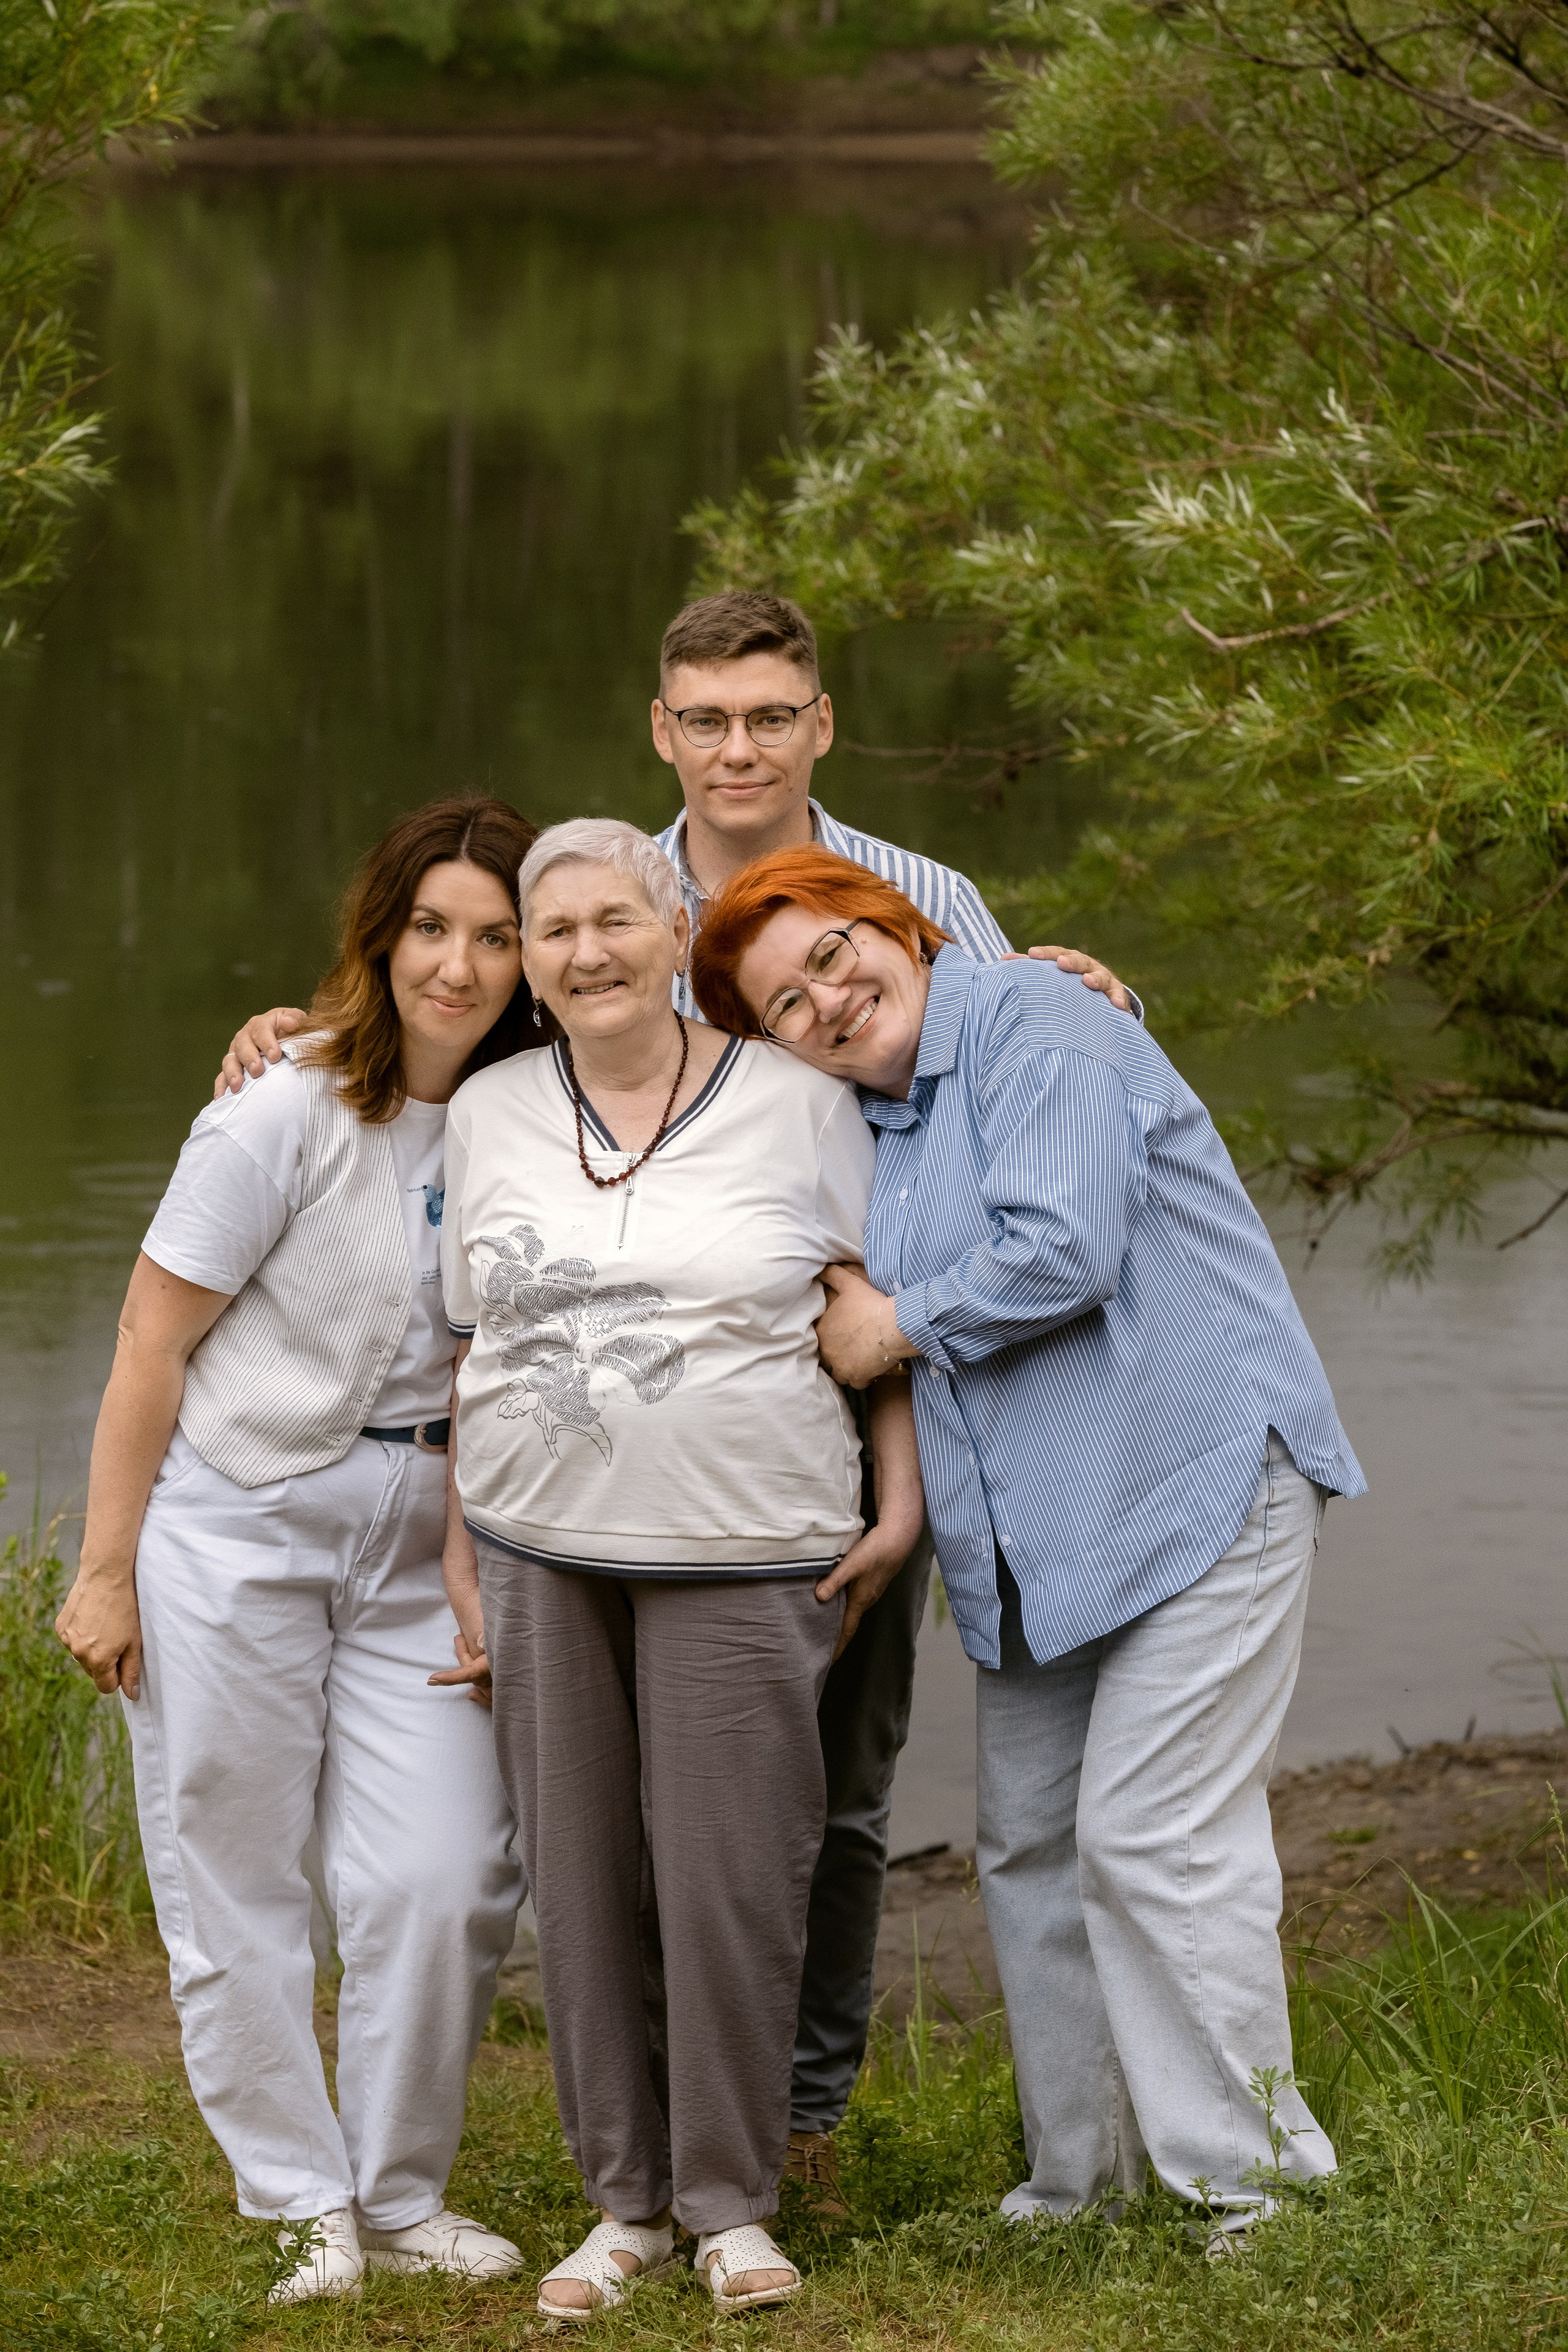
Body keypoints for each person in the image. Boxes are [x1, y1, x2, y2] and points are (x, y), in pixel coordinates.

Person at [215, 589, 1139, 2206]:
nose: (738, 748)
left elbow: (1002, 1070)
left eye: (770, 716)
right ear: (662, 729)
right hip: (605, 1445)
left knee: (837, 1784)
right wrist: (306, 1034)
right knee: (635, 1795)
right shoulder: (611, 897)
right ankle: (654, 2124)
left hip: (857, 1399)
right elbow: (457, 1035)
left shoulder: (927, 899)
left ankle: (801, 2112)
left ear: (820, 724)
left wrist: (1068, 982)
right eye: (705, 719)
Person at [689, 844, 1367, 2249]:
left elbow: (1062, 1245)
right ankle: (1083, 2186)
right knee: (1034, 1854)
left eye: (832, 953)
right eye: (782, 1006)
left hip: (1195, 1485)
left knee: (1156, 1840)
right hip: (1042, 1550)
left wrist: (891, 1322)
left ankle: (1263, 2199)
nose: (825, 1000)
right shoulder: (861, 1127)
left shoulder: (1026, 1017)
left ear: (897, 925)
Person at [54, 799, 539, 2305]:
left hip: (432, 1545)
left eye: (496, 935)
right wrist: (107, 1566)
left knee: (444, 1872)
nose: (457, 966)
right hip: (240, 1521)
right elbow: (151, 1334)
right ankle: (296, 2202)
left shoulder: (543, 1114)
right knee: (234, 1869)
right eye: (430, 929)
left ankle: (397, 2194)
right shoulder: (283, 1104)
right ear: (380, 936)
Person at [439, 819, 924, 2315]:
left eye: (615, 921)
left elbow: (865, 1311)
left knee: (730, 1876)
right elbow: (476, 1343)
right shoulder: (493, 1108)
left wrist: (896, 1509)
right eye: (554, 929)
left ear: (671, 928)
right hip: (537, 1543)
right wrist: (463, 1554)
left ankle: (730, 2203)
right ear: (529, 959)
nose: (587, 953)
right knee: (580, 1877)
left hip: (749, 1539)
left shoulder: (796, 1101)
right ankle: (623, 2207)